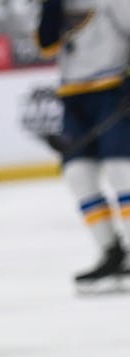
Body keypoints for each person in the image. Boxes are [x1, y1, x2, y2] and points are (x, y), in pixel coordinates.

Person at [38, 0, 130, 293]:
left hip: (114, 88)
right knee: (78, 175)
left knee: (122, 171)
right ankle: (111, 252)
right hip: (73, 96)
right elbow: (46, 45)